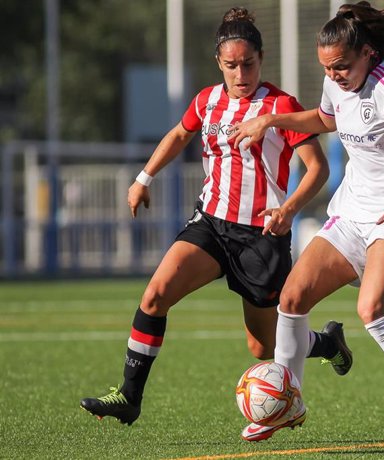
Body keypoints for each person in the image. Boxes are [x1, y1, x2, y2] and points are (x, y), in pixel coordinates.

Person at [80, 8, 352, 431]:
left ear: (261, 59)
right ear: (218, 64)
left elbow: (317, 168)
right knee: (155, 295)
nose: (241, 73)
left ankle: (327, 342)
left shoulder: (280, 106)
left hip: (261, 236)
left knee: (262, 347)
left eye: (249, 64)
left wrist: (288, 210)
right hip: (209, 224)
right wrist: (143, 178)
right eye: (231, 65)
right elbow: (178, 135)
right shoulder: (207, 100)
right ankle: (129, 397)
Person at [230, 2, 384, 453]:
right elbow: (324, 120)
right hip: (352, 210)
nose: (334, 75)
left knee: (373, 310)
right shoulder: (337, 83)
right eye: (327, 69)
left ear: (368, 53)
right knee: (291, 299)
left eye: (341, 67)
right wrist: (270, 119)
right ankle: (287, 402)